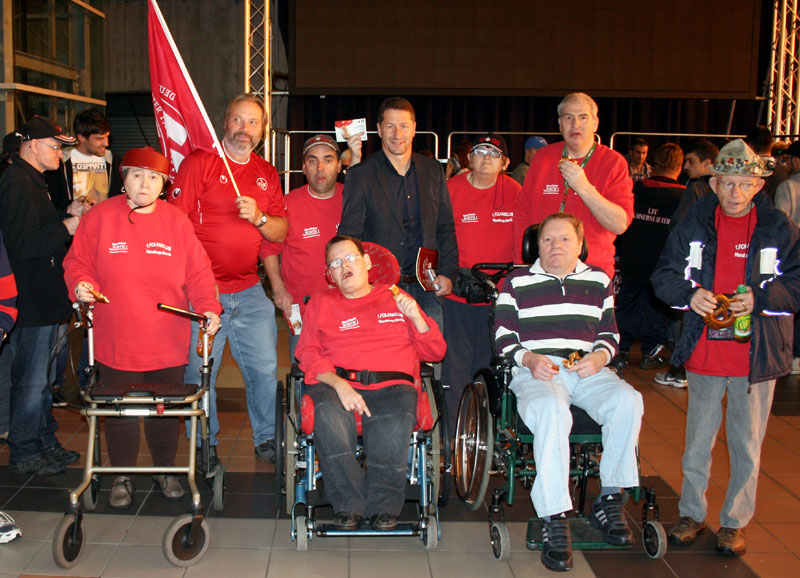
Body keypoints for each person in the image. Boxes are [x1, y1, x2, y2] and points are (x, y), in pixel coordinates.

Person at [651, 139, 800, 557]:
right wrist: (688, 295)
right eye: (727, 183)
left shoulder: (781, 229)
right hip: (704, 352)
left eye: (744, 184)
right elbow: (662, 276)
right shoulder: (692, 224)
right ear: (713, 182)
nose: (735, 193)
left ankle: (734, 522)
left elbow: (797, 283)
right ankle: (692, 513)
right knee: (697, 439)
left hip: (757, 355)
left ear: (758, 186)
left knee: (746, 443)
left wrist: (762, 299)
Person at [63, 147, 222, 507]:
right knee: (119, 411)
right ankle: (121, 474)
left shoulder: (177, 222)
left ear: (164, 184)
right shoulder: (100, 217)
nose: (144, 183)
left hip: (167, 338)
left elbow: (198, 273)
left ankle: (165, 469)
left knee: (163, 409)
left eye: (153, 177)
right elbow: (77, 263)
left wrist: (209, 309)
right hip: (115, 337)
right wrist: (81, 284)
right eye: (136, 175)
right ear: (124, 178)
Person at [495, 212, 642, 572]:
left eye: (564, 239)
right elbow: (502, 337)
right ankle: (554, 516)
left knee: (629, 400)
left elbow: (610, 334)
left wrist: (599, 356)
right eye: (547, 239)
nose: (555, 246)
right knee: (551, 409)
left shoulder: (598, 280)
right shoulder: (515, 282)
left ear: (580, 245)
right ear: (535, 245)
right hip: (539, 369)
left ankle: (609, 497)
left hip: (586, 368)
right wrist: (528, 358)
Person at [296, 235, 446, 531]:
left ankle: (384, 506)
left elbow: (436, 351)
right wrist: (339, 384)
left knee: (396, 414)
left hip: (394, 388)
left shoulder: (397, 298)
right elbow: (307, 352)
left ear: (366, 263)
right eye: (335, 264)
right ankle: (348, 505)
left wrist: (416, 316)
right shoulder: (321, 303)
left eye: (350, 258)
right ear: (330, 274)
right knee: (326, 411)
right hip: (336, 386)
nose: (344, 267)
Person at [169, 93, 288, 465]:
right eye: (239, 120)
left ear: (263, 130)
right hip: (204, 294)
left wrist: (260, 219)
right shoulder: (199, 164)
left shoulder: (266, 174)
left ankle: (267, 438)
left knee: (265, 369)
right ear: (225, 122)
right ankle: (203, 443)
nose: (245, 130)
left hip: (250, 291)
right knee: (200, 372)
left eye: (253, 123)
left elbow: (278, 235)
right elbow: (174, 225)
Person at [0, 116, 86, 476]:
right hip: (30, 299)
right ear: (32, 145)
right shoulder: (16, 182)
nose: (61, 155)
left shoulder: (34, 181)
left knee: (43, 381)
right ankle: (25, 451)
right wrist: (66, 227)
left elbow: (35, 224)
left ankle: (44, 440)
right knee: (31, 381)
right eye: (55, 147)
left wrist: (65, 212)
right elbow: (22, 244)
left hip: (45, 298)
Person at [339, 97, 458, 328]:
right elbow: (349, 236)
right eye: (390, 126)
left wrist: (449, 272)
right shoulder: (361, 175)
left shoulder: (433, 170)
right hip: (380, 289)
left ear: (414, 129)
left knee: (430, 358)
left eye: (403, 126)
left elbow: (445, 227)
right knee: (385, 362)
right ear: (379, 129)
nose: (397, 134)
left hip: (427, 287)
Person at [442, 133, 520, 436]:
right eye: (479, 152)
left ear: (505, 163)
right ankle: (453, 438)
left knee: (491, 369)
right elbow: (436, 239)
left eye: (493, 153)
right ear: (468, 158)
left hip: (499, 298)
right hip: (457, 296)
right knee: (455, 370)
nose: (486, 158)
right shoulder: (450, 191)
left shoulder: (515, 193)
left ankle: (488, 434)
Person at [514, 92, 633, 278]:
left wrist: (583, 187)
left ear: (595, 123)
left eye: (583, 117)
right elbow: (522, 213)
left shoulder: (613, 162)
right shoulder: (542, 158)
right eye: (568, 117)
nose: (575, 124)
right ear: (560, 124)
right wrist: (520, 264)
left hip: (592, 272)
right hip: (542, 271)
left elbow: (619, 224)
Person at [263, 134, 349, 362]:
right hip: (302, 308)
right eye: (313, 161)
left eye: (328, 160)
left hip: (347, 306)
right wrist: (278, 288)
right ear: (303, 167)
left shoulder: (353, 199)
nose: (320, 168)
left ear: (339, 165)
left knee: (346, 373)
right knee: (302, 375)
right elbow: (270, 249)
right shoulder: (287, 204)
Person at [614, 143, 685, 372]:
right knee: (658, 308)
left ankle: (621, 350)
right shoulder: (683, 196)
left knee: (627, 302)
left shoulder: (636, 189)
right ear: (679, 166)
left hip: (633, 257)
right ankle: (650, 352)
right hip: (663, 264)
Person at [45, 108, 123, 212]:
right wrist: (67, 211)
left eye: (107, 137)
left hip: (105, 225)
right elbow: (52, 203)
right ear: (81, 137)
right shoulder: (59, 163)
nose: (106, 143)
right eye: (99, 139)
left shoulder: (115, 162)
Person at [774, 140, 800, 374]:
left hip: (793, 254)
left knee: (791, 305)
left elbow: (781, 224)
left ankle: (792, 357)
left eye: (789, 159)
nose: (787, 163)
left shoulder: (788, 186)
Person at [671, 139, 719, 227]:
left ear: (707, 163)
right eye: (686, 161)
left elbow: (680, 222)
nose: (685, 166)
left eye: (691, 161)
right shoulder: (723, 187)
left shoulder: (695, 188)